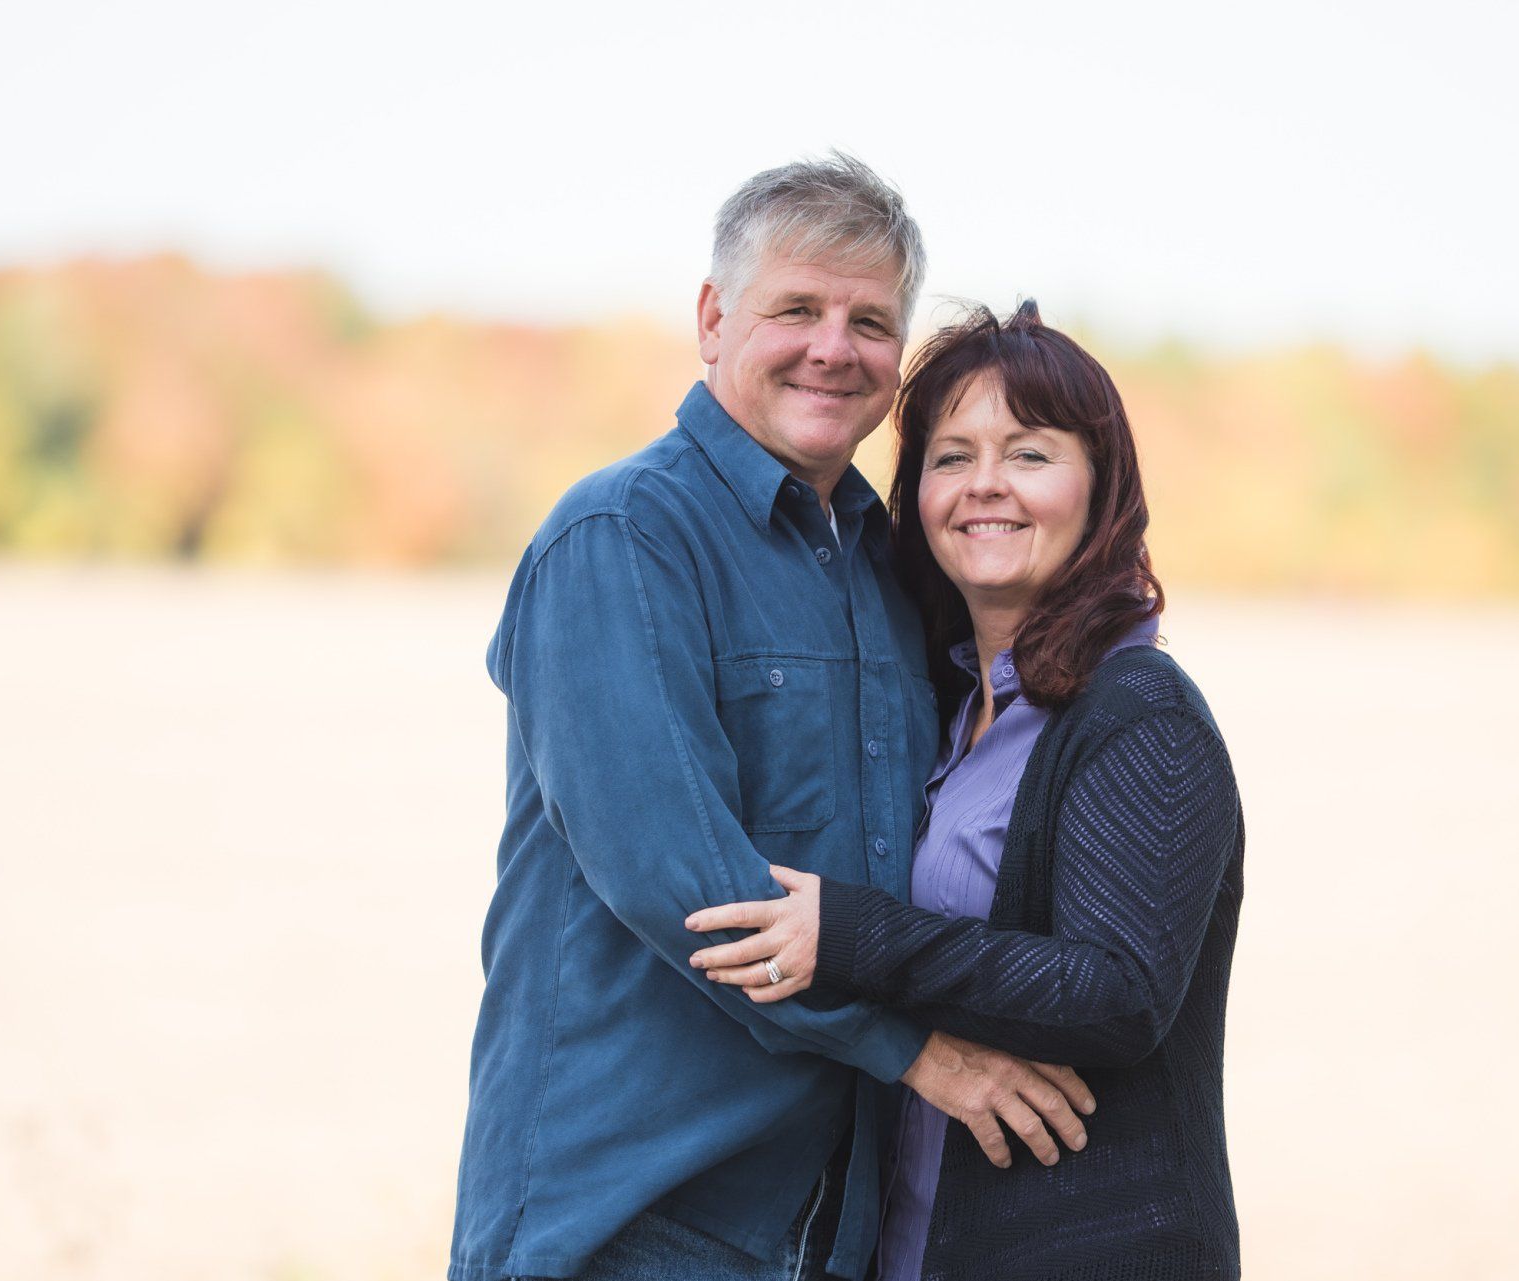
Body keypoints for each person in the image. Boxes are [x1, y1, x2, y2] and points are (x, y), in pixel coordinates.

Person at [448, 159, 1095, 1281]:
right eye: (796, 308)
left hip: (826, 1223)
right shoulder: (622, 542)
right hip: (625, 1218)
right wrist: (920, 1054)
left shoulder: (892, 571)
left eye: (870, 321)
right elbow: (689, 890)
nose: (832, 348)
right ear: (712, 319)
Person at [686, 302, 1246, 1280]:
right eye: (951, 456)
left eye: (1029, 453)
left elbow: (1117, 993)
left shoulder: (1138, 714)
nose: (985, 485)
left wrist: (851, 936)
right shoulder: (953, 709)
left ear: (1099, 486)